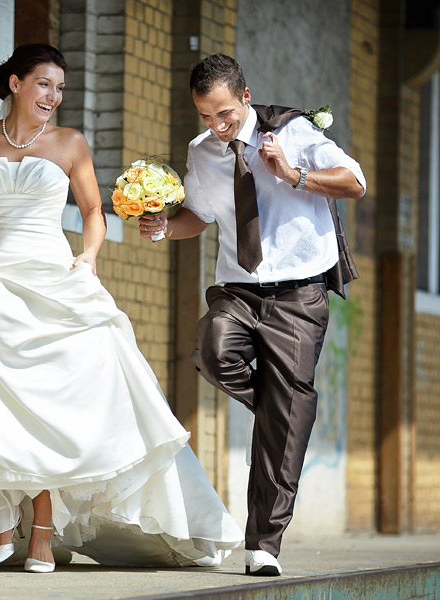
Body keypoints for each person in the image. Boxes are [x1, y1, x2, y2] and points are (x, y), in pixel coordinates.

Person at [0, 44, 243, 573]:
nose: (53, 96)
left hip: (53, 272)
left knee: (52, 402)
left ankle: (43, 529)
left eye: (60, 88)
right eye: (44, 84)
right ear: (15, 84)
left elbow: (93, 211)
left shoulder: (71, 143)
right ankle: (2, 514)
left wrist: (89, 256)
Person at [139, 53, 366, 576]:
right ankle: (286, 411)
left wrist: (294, 173)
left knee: (283, 424)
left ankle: (263, 544)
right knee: (215, 352)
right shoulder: (203, 152)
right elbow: (198, 214)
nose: (218, 128)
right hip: (238, 287)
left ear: (245, 97)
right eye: (206, 117)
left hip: (298, 293)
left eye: (225, 115)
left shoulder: (296, 132)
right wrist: (164, 228)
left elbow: (354, 182)